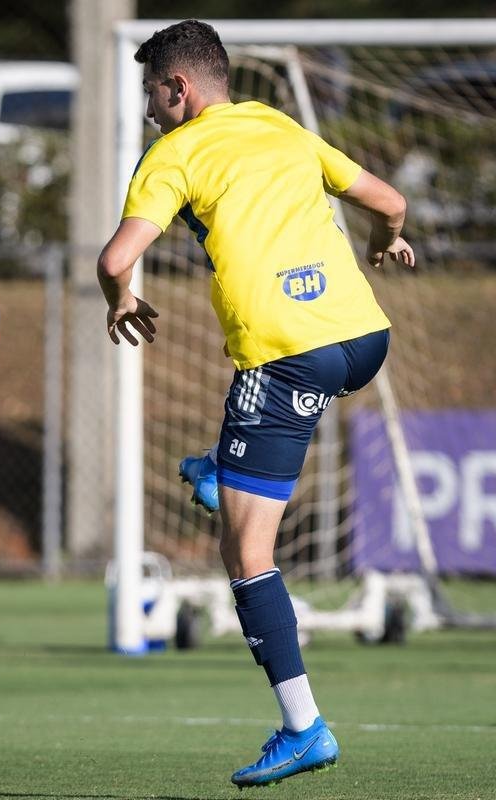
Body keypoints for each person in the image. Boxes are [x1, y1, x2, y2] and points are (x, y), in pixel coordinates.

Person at [96, 19, 415, 788]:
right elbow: (390, 200)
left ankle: (303, 727)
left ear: (179, 88)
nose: (146, 108)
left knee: (246, 556)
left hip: (287, 356)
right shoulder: (277, 124)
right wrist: (384, 239)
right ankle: (218, 473)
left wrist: (120, 299)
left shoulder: (171, 154)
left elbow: (115, 258)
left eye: (150, 92)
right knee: (243, 449)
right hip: (364, 341)